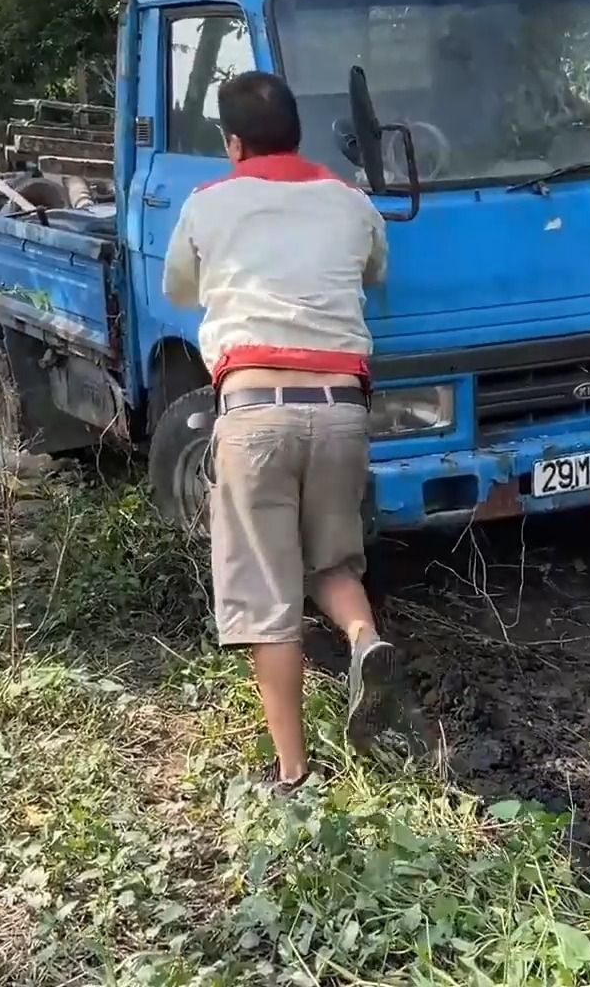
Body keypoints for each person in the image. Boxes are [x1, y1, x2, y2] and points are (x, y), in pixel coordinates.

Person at [162, 71, 399, 794]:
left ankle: (293, 775)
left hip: (255, 409)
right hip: (340, 411)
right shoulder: (350, 200)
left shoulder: (209, 203)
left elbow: (178, 288)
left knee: (267, 599)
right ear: (298, 132)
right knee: (332, 563)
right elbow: (377, 272)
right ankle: (365, 641)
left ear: (231, 143)